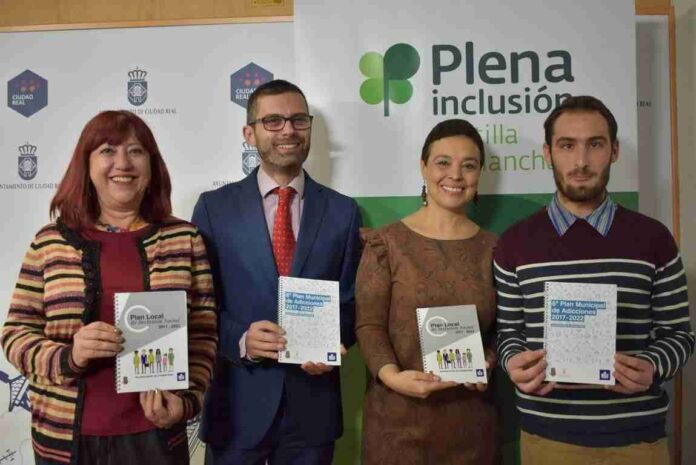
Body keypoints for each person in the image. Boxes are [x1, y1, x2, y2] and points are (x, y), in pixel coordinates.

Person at [1, 110, 218, 465]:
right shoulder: (49, 242)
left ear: (152, 166)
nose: (123, 163)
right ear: (86, 166)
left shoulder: (184, 239)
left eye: (135, 151)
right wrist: (69, 356)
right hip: (65, 441)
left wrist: (186, 402)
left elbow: (204, 335)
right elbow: (15, 335)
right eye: (107, 150)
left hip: (156, 439)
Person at [494, 95, 695, 465]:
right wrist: (513, 362)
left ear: (614, 151)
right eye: (567, 145)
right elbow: (509, 333)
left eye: (595, 144)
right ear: (548, 153)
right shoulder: (514, 243)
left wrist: (652, 366)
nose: (581, 161)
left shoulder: (654, 238)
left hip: (638, 441)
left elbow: (680, 335)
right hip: (546, 440)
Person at [192, 79, 362, 465]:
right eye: (273, 121)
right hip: (236, 407)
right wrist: (240, 339)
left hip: (313, 409)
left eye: (298, 120)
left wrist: (335, 342)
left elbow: (352, 301)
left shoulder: (343, 212)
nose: (288, 130)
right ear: (249, 133)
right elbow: (198, 305)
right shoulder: (214, 208)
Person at [355, 119, 500, 465]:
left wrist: (489, 360)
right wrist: (393, 377)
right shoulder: (386, 243)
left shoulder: (495, 249)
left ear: (480, 174)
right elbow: (369, 325)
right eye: (443, 162)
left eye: (469, 165)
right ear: (423, 167)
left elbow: (503, 329)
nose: (456, 175)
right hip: (397, 424)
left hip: (472, 426)